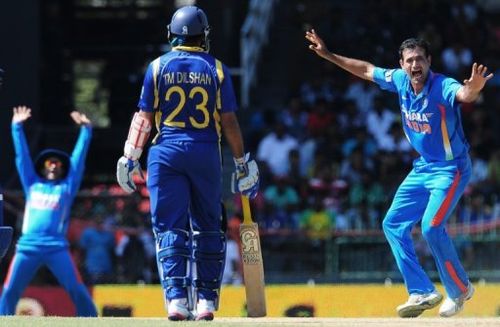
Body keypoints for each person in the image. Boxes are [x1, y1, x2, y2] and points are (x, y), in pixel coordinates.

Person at [306, 29, 493, 318]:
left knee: (431, 227)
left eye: (420, 59)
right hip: (423, 167)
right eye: (409, 60)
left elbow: (463, 94)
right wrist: (328, 55)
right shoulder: (399, 80)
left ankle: (460, 289)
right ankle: (421, 290)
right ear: (402, 64)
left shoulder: (442, 85)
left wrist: (475, 89)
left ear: (429, 61)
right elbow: (366, 69)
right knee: (392, 223)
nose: (415, 65)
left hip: (451, 168)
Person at [116, 5, 259, 321]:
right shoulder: (217, 69)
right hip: (204, 151)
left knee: (169, 226)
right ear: (203, 36)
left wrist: (129, 156)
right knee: (208, 226)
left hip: (165, 152)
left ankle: (177, 300)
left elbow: (144, 117)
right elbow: (230, 121)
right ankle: (206, 301)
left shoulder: (156, 68)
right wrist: (242, 161)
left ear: (172, 34)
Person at [0, 106, 97, 317]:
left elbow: (78, 162)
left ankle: (91, 319)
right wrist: (16, 127)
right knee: (9, 290)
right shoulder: (32, 184)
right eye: (49, 162)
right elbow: (22, 158)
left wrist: (86, 131)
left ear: (62, 169)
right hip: (27, 246)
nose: (53, 166)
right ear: (43, 167)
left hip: (56, 247)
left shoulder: (66, 188)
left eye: (57, 164)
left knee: (76, 288)